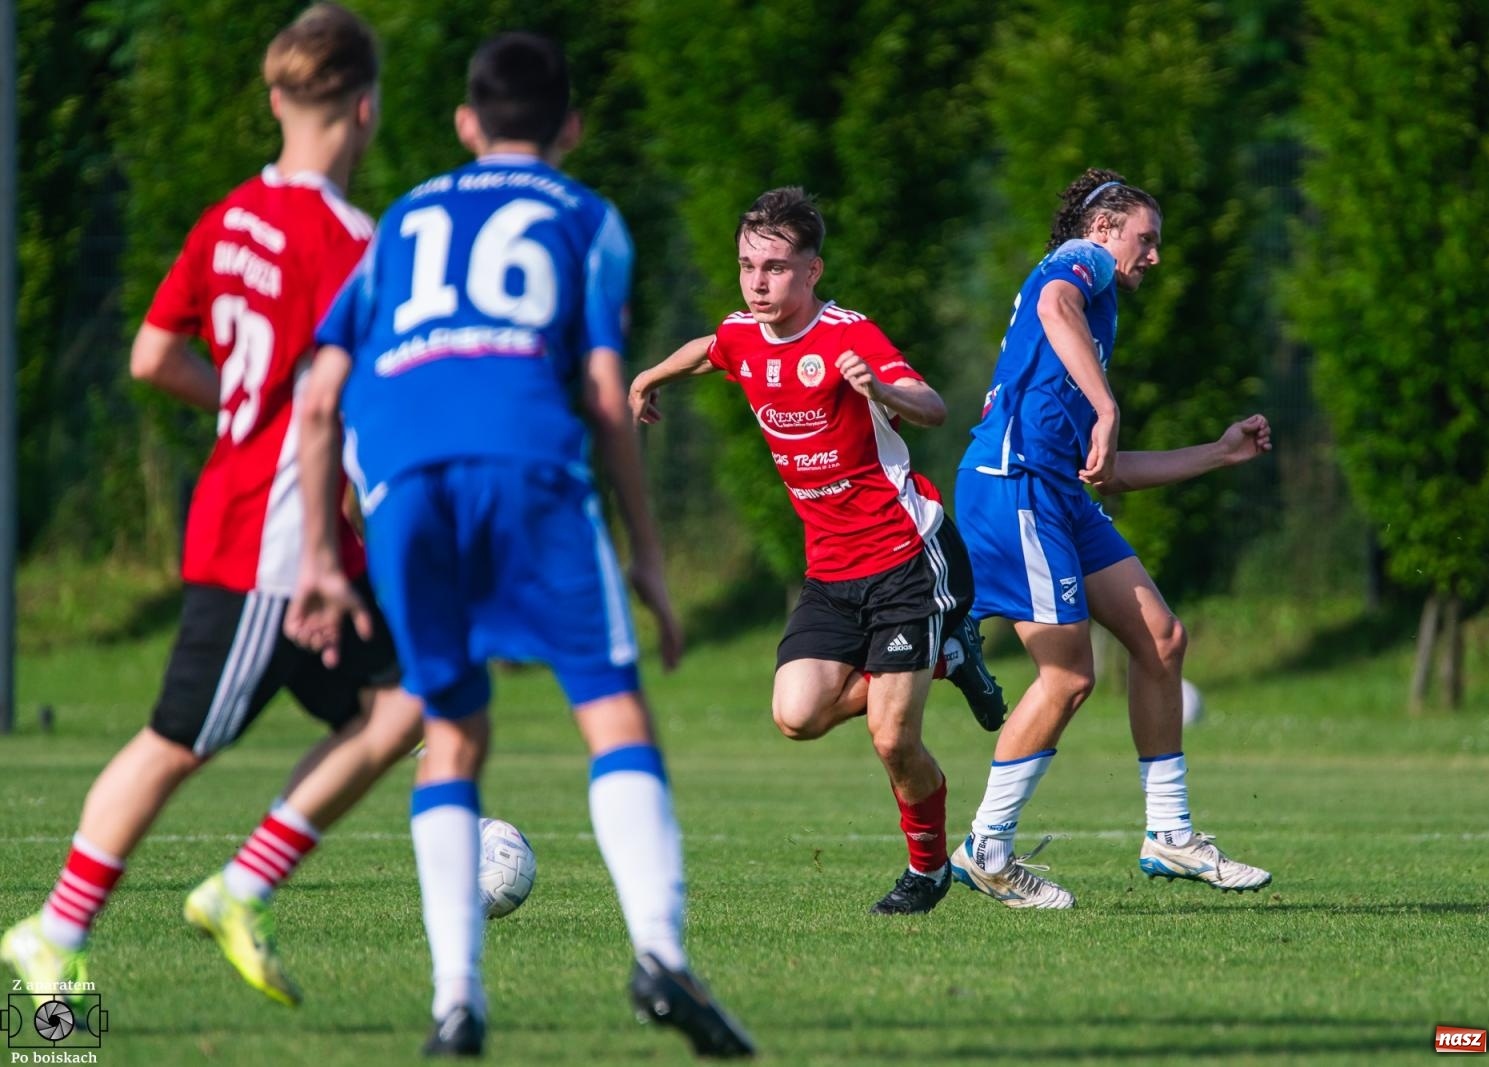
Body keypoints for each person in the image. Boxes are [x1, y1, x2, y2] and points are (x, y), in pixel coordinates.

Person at [286, 32, 754, 1058]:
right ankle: (659, 954)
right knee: (611, 709)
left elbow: (317, 400)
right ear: (572, 128)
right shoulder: (588, 218)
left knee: (451, 732)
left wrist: (322, 550)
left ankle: (457, 1001)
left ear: (464, 125)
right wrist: (647, 552)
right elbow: (599, 392)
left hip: (404, 481)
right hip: (529, 469)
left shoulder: (401, 220)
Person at [1, 2, 425, 1015]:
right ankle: (52, 932)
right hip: (274, 543)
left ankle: (243, 884)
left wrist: (244, 399)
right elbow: (352, 404)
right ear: (363, 109)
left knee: (414, 697)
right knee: (176, 741)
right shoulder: (351, 241)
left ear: (279, 98)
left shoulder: (230, 216)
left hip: (262, 509)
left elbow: (153, 355)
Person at [626, 187, 1005, 917]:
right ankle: (947, 656)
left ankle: (927, 871)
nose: (757, 282)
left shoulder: (847, 334)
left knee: (892, 737)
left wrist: (885, 390)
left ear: (813, 271)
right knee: (796, 715)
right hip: (831, 572)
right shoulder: (746, 334)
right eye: (746, 266)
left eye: (773, 267)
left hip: (905, 554)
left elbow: (932, 406)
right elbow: (712, 348)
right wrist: (649, 378)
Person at [947, 168, 1274, 908]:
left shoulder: (1095, 315)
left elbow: (1110, 473)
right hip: (1014, 482)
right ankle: (987, 848)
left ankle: (1169, 834)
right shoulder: (1080, 264)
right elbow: (1057, 302)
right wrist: (1105, 403)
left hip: (1055, 487)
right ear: (1103, 229)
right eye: (1145, 238)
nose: (1153, 256)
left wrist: (1220, 452)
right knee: (1068, 677)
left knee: (1160, 639)